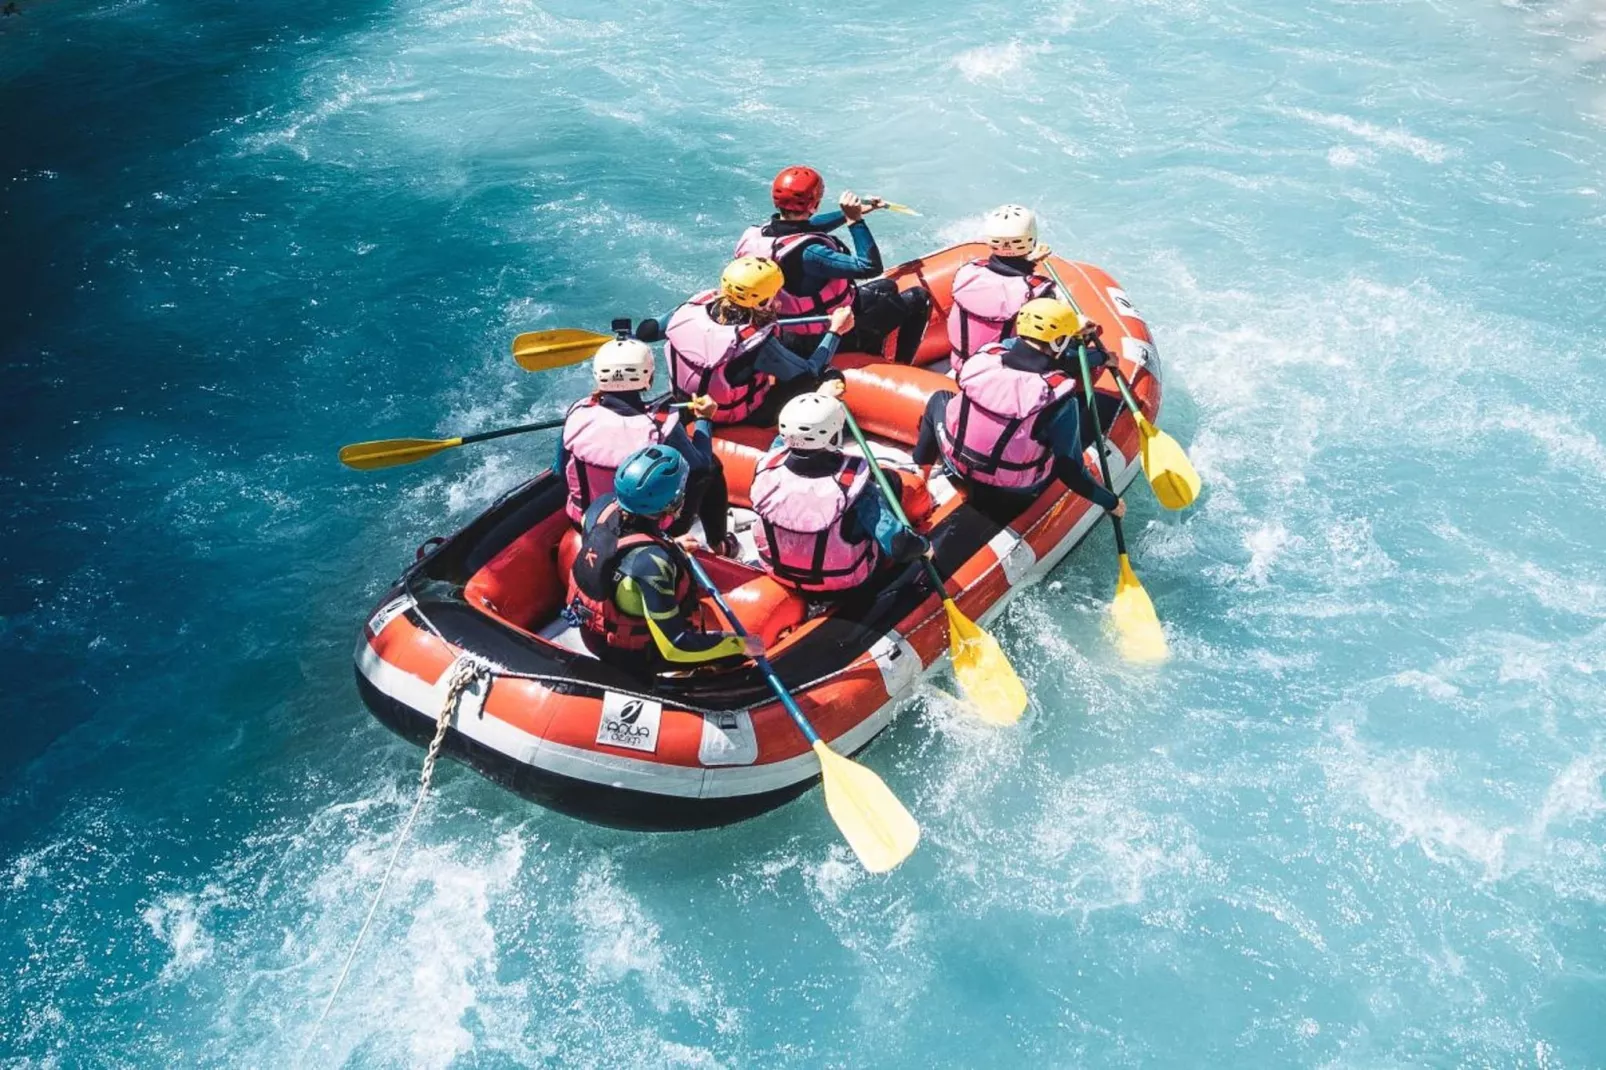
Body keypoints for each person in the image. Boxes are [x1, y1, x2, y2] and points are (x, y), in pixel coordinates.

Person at [911, 298, 1128, 519]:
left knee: (940, 398)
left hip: (955, 463)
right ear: (1060, 342)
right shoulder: (1057, 398)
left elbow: (1021, 349)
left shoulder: (986, 355)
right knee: (1057, 439)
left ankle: (921, 476)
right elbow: (1070, 471)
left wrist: (1072, 334)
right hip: (1010, 489)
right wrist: (1110, 502)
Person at [565, 445, 763, 672]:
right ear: (674, 502)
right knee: (737, 654)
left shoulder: (600, 509)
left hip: (591, 634)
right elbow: (674, 646)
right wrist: (740, 645)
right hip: (628, 654)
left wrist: (671, 546)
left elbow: (617, 547)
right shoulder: (653, 564)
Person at [554, 337, 740, 553]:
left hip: (588, 520)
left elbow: (560, 471)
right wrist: (704, 419)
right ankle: (719, 543)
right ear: (648, 379)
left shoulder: (578, 412)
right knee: (713, 467)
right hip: (649, 530)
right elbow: (700, 467)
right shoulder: (661, 424)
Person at [734, 165, 931, 365]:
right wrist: (855, 220)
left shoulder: (762, 235)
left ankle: (876, 346)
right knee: (919, 297)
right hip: (825, 337)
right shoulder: (810, 253)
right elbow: (870, 267)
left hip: (790, 330)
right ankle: (903, 365)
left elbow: (810, 226)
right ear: (815, 205)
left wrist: (860, 209)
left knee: (887, 287)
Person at [750, 390, 930, 597]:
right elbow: (899, 547)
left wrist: (818, 400)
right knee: (889, 480)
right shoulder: (857, 490)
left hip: (778, 571)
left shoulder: (767, 466)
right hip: (844, 582)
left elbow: (783, 446)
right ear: (835, 437)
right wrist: (924, 546)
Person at [657, 256, 853, 427]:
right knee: (826, 373)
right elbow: (810, 372)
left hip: (688, 401)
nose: (778, 299)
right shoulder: (754, 342)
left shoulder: (692, 306)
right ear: (760, 302)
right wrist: (836, 331)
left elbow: (648, 330)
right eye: (774, 294)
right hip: (735, 416)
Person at [946, 204, 1060, 373]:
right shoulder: (1040, 292)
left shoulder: (968, 271)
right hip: (998, 373)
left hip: (961, 365)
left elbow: (1004, 276)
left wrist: (1030, 262)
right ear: (1032, 239)